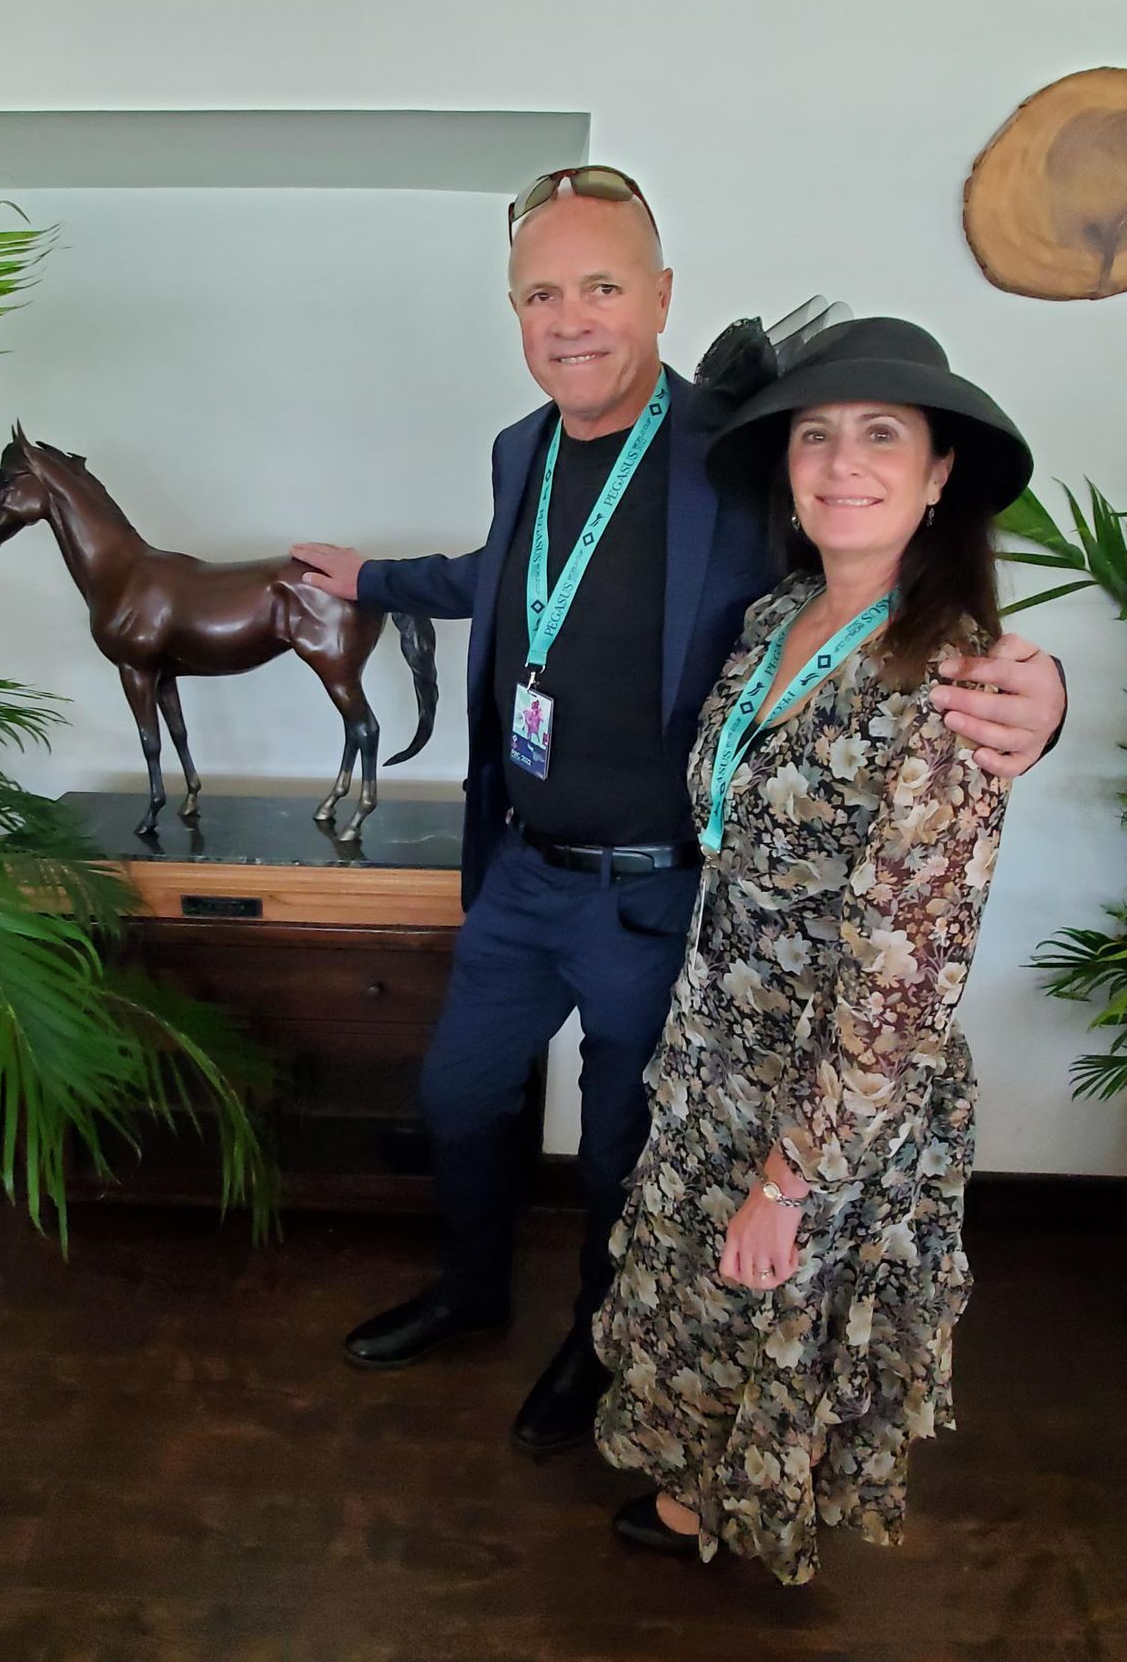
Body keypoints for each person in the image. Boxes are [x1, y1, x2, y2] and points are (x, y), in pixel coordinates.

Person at [291, 169, 1066, 1457]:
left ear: (659, 297)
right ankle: (475, 1295)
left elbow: (883, 576)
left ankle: (601, 1353)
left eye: (600, 285)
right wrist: (377, 577)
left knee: (618, 1158)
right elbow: (504, 574)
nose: (570, 318)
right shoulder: (520, 446)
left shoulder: (746, 447)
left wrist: (1038, 690)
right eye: (540, 293)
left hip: (661, 898)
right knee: (458, 1094)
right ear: (516, 312)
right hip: (525, 868)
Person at [595, 316, 1032, 1584]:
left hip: (832, 1088)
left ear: (940, 472)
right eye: (816, 437)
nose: (843, 464)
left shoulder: (954, 683)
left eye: (881, 436)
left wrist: (794, 1175)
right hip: (719, 1049)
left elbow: (906, 984)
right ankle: (693, 1495)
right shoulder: (779, 616)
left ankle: (741, 1521)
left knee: (778, 1305)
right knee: (704, 1298)